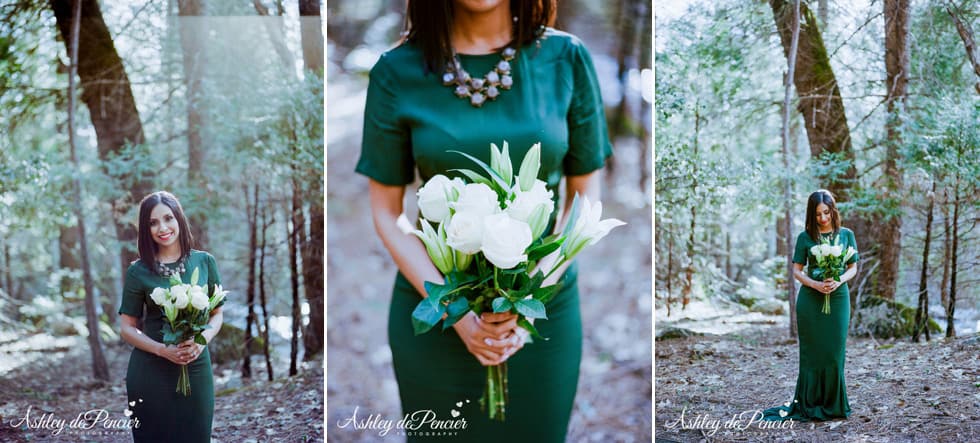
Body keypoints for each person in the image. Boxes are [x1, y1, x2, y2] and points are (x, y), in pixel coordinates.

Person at [355, 0, 612, 440]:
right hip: (435, 314)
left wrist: (527, 295)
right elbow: (386, 210)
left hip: (541, 313)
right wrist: (456, 313)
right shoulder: (396, 71)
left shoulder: (566, 58)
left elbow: (584, 198)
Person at [118, 191, 224, 442]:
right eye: (153, 223)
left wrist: (202, 341)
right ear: (145, 229)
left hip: (195, 366)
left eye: (168, 218)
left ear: (179, 218)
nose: (162, 227)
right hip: (150, 372)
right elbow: (126, 328)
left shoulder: (204, 262)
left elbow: (217, 313)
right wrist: (161, 350)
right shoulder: (138, 271)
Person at [763, 189, 858, 422]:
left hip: (838, 298)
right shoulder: (805, 237)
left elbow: (853, 268)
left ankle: (833, 405)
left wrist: (839, 281)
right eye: (817, 214)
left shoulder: (846, 235)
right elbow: (796, 271)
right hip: (810, 300)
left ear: (833, 210)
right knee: (812, 354)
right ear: (811, 215)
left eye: (826, 212)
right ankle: (809, 402)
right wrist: (815, 284)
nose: (823, 218)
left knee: (835, 353)